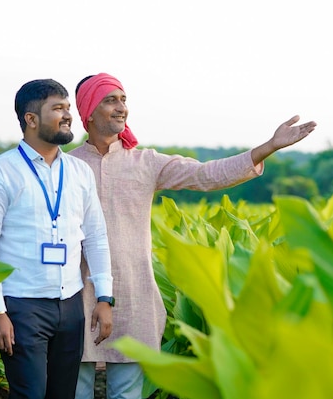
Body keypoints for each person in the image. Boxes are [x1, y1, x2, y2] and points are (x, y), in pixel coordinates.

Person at [69, 73, 317, 399]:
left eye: (124, 99)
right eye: (110, 100)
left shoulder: (146, 163)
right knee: (73, 390)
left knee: (126, 394)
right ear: (89, 110)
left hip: (134, 295)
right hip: (76, 295)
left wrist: (268, 147)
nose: (121, 108)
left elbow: (205, 175)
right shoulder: (66, 166)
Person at [0, 78, 115, 399]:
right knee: (30, 394)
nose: (67, 115)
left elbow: (96, 237)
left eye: (67, 108)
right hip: (22, 306)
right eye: (58, 108)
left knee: (63, 394)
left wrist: (105, 297)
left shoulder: (79, 172)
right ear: (31, 119)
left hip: (71, 305)